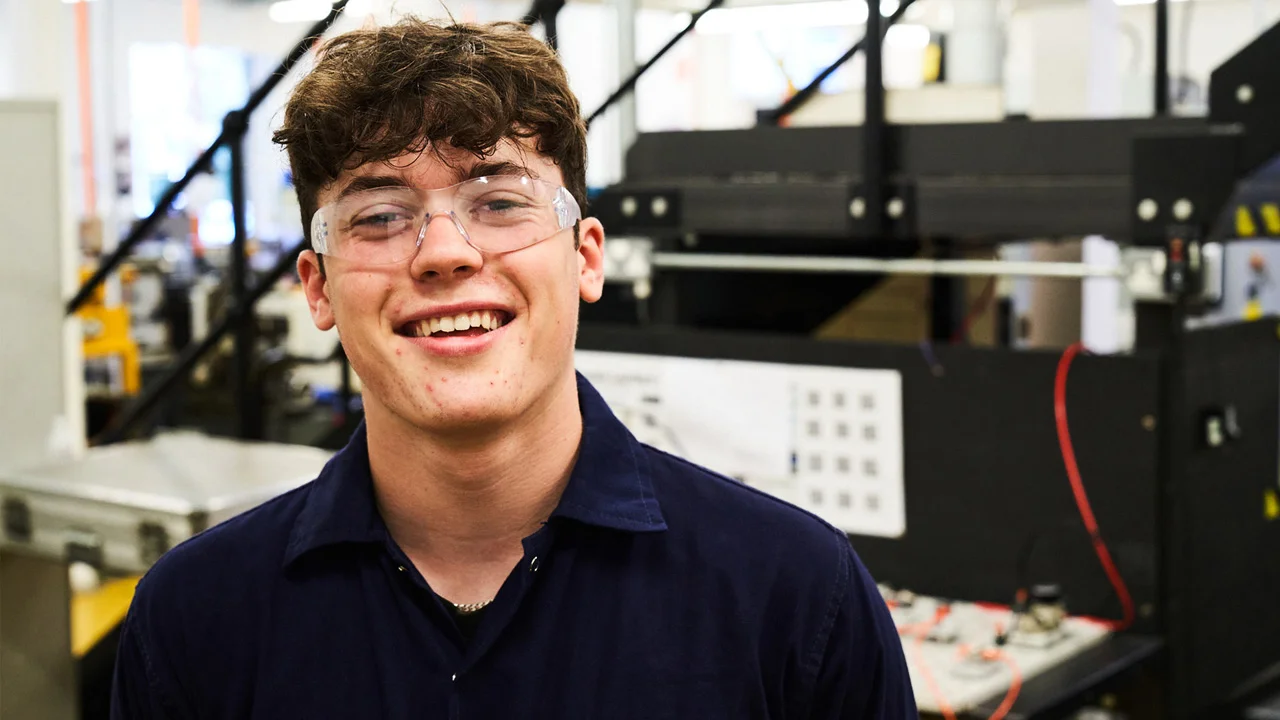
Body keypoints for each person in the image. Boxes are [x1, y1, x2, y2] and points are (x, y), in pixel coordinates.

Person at [111, 18, 915, 719]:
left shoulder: (800, 601)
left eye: (498, 202)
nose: (447, 253)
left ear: (585, 258)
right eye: (380, 217)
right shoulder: (195, 619)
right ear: (318, 287)